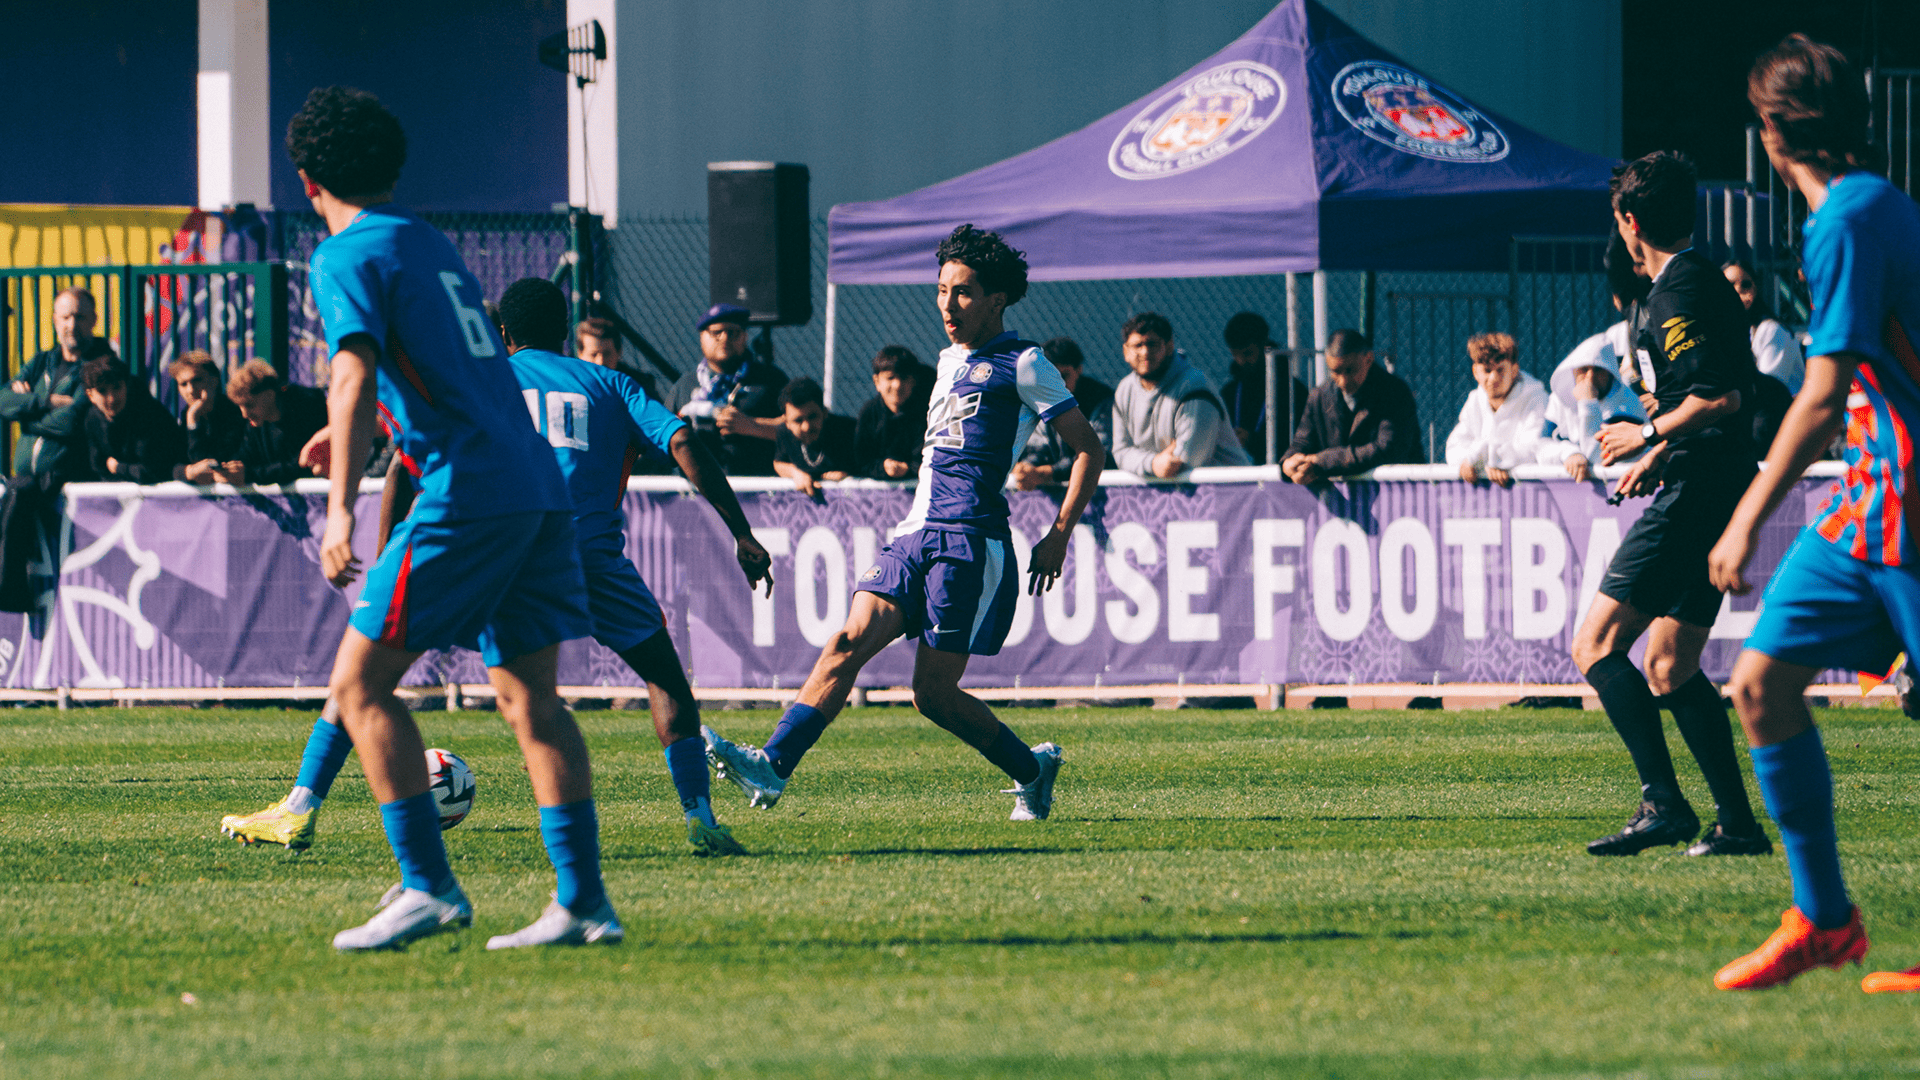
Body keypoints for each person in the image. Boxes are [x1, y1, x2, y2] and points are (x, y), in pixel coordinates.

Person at [287, 85, 613, 951]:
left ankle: (427, 887)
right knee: (530, 700)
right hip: (536, 484)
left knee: (358, 687)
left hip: (468, 489)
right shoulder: (430, 243)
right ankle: (583, 904)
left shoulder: (344, 253)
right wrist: (349, 427)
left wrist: (339, 515)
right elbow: (439, 366)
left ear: (307, 177)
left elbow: (352, 371)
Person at [701, 224, 1105, 821]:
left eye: (963, 292)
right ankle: (773, 765)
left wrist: (1059, 534)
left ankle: (1031, 768)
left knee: (932, 696)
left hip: (970, 539)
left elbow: (1088, 449)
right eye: (941, 290)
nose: (947, 304)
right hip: (914, 533)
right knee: (844, 642)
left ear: (995, 300)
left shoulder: (1025, 364)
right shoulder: (947, 359)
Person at [1707, 36, 1919, 991]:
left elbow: (1824, 389)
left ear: (1769, 132)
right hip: (1871, 501)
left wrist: (1749, 513)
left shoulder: (1848, 221)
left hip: (1910, 500)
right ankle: (1826, 921)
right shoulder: (1874, 207)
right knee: (1761, 685)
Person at [1570, 149, 1766, 861]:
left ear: (1629, 223)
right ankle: (1738, 826)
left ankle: (1663, 803)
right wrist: (1660, 455)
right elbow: (1715, 400)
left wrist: (1648, 433)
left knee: (1593, 646)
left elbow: (1720, 397)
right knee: (1670, 666)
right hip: (1708, 478)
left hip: (1702, 491)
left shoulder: (1675, 292)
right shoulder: (1696, 281)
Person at [1111, 312, 1251, 477]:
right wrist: (1153, 463)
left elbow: (1188, 460)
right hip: (1173, 491)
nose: (1145, 352)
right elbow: (1120, 451)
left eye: (1152, 344)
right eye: (1137, 345)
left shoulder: (1195, 386)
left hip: (1231, 492)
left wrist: (1150, 462)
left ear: (1169, 346)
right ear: (1125, 351)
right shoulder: (1124, 389)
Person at [1282, 329, 1423, 482]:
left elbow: (1388, 450)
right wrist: (1288, 463)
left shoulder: (1394, 392)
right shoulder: (1319, 396)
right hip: (1341, 500)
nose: (1343, 381)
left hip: (1396, 495)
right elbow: (1302, 442)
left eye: (1350, 370)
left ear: (1368, 359)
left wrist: (1322, 461)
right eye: (1335, 372)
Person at [663, 304, 787, 475]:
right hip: (695, 494)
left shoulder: (770, 380)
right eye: (716, 332)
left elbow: (802, 431)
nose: (725, 338)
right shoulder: (686, 384)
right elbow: (658, 437)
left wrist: (752, 426)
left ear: (744, 336)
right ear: (702, 337)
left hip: (756, 492)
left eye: (733, 332)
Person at [0, 287, 101, 483]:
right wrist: (42, 403)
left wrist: (24, 418)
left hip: (68, 485)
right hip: (26, 479)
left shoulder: (98, 367)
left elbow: (72, 421)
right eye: (65, 318)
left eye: (79, 317)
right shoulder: (41, 362)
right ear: (55, 320)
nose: (72, 325)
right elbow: (2, 400)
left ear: (94, 320)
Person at [1533, 331, 1647, 481]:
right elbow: (1540, 445)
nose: (1590, 377)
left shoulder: (1628, 404)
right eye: (1583, 369)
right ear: (1573, 371)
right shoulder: (1559, 398)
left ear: (1610, 373)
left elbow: (1598, 457)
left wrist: (1587, 402)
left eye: (1598, 370)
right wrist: (1569, 453)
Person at [1445, 332, 1548, 487]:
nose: (1493, 378)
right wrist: (1479, 463)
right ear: (1475, 372)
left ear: (1514, 370)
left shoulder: (1537, 398)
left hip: (1535, 494)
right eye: (1487, 370)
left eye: (1500, 370)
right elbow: (1454, 448)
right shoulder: (1475, 400)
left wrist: (1491, 459)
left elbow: (1535, 449)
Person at [1724, 258, 1804, 453]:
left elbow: (1766, 393)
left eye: (1746, 284)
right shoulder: (1725, 333)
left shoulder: (1771, 331)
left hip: (1784, 426)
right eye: (1729, 285)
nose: (1738, 291)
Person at [1012, 337, 1113, 490]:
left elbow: (1101, 454)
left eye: (1063, 376)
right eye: (1051, 377)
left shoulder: (1100, 399)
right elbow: (1040, 448)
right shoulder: (1039, 396)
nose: (1058, 384)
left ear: (1079, 370)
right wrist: (1027, 467)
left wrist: (1050, 472)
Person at [1219, 312, 1308, 465]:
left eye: (1248, 353)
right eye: (1235, 354)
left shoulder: (1292, 391)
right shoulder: (1230, 392)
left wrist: (1252, 441)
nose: (1241, 361)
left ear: (1264, 346)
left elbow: (1299, 441)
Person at [81, 354, 186, 484]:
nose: (111, 398)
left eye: (117, 387)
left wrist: (117, 467)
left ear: (127, 385)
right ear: (90, 395)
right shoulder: (92, 419)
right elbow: (98, 467)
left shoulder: (150, 415)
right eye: (102, 391)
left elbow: (154, 471)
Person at [225, 360, 328, 485]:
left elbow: (302, 464)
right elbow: (246, 457)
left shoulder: (308, 408)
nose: (245, 414)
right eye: (240, 406)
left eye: (249, 405)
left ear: (269, 395)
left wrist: (250, 475)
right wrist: (230, 471)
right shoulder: (255, 423)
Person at [853, 345, 931, 480]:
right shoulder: (869, 413)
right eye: (890, 378)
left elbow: (927, 459)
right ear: (876, 381)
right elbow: (861, 460)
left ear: (913, 381)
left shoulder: (924, 414)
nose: (897, 385)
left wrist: (908, 468)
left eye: (904, 378)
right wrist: (883, 467)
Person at [772, 376, 857, 498]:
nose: (806, 427)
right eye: (798, 420)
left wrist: (849, 476)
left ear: (825, 413)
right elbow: (779, 463)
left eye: (812, 417)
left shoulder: (847, 431)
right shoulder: (784, 433)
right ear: (786, 422)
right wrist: (796, 473)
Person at [168, 352, 247, 482]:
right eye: (183, 384)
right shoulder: (186, 414)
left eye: (197, 380)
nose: (190, 390)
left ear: (214, 379)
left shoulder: (234, 413)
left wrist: (193, 421)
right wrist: (188, 472)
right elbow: (172, 463)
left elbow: (209, 466)